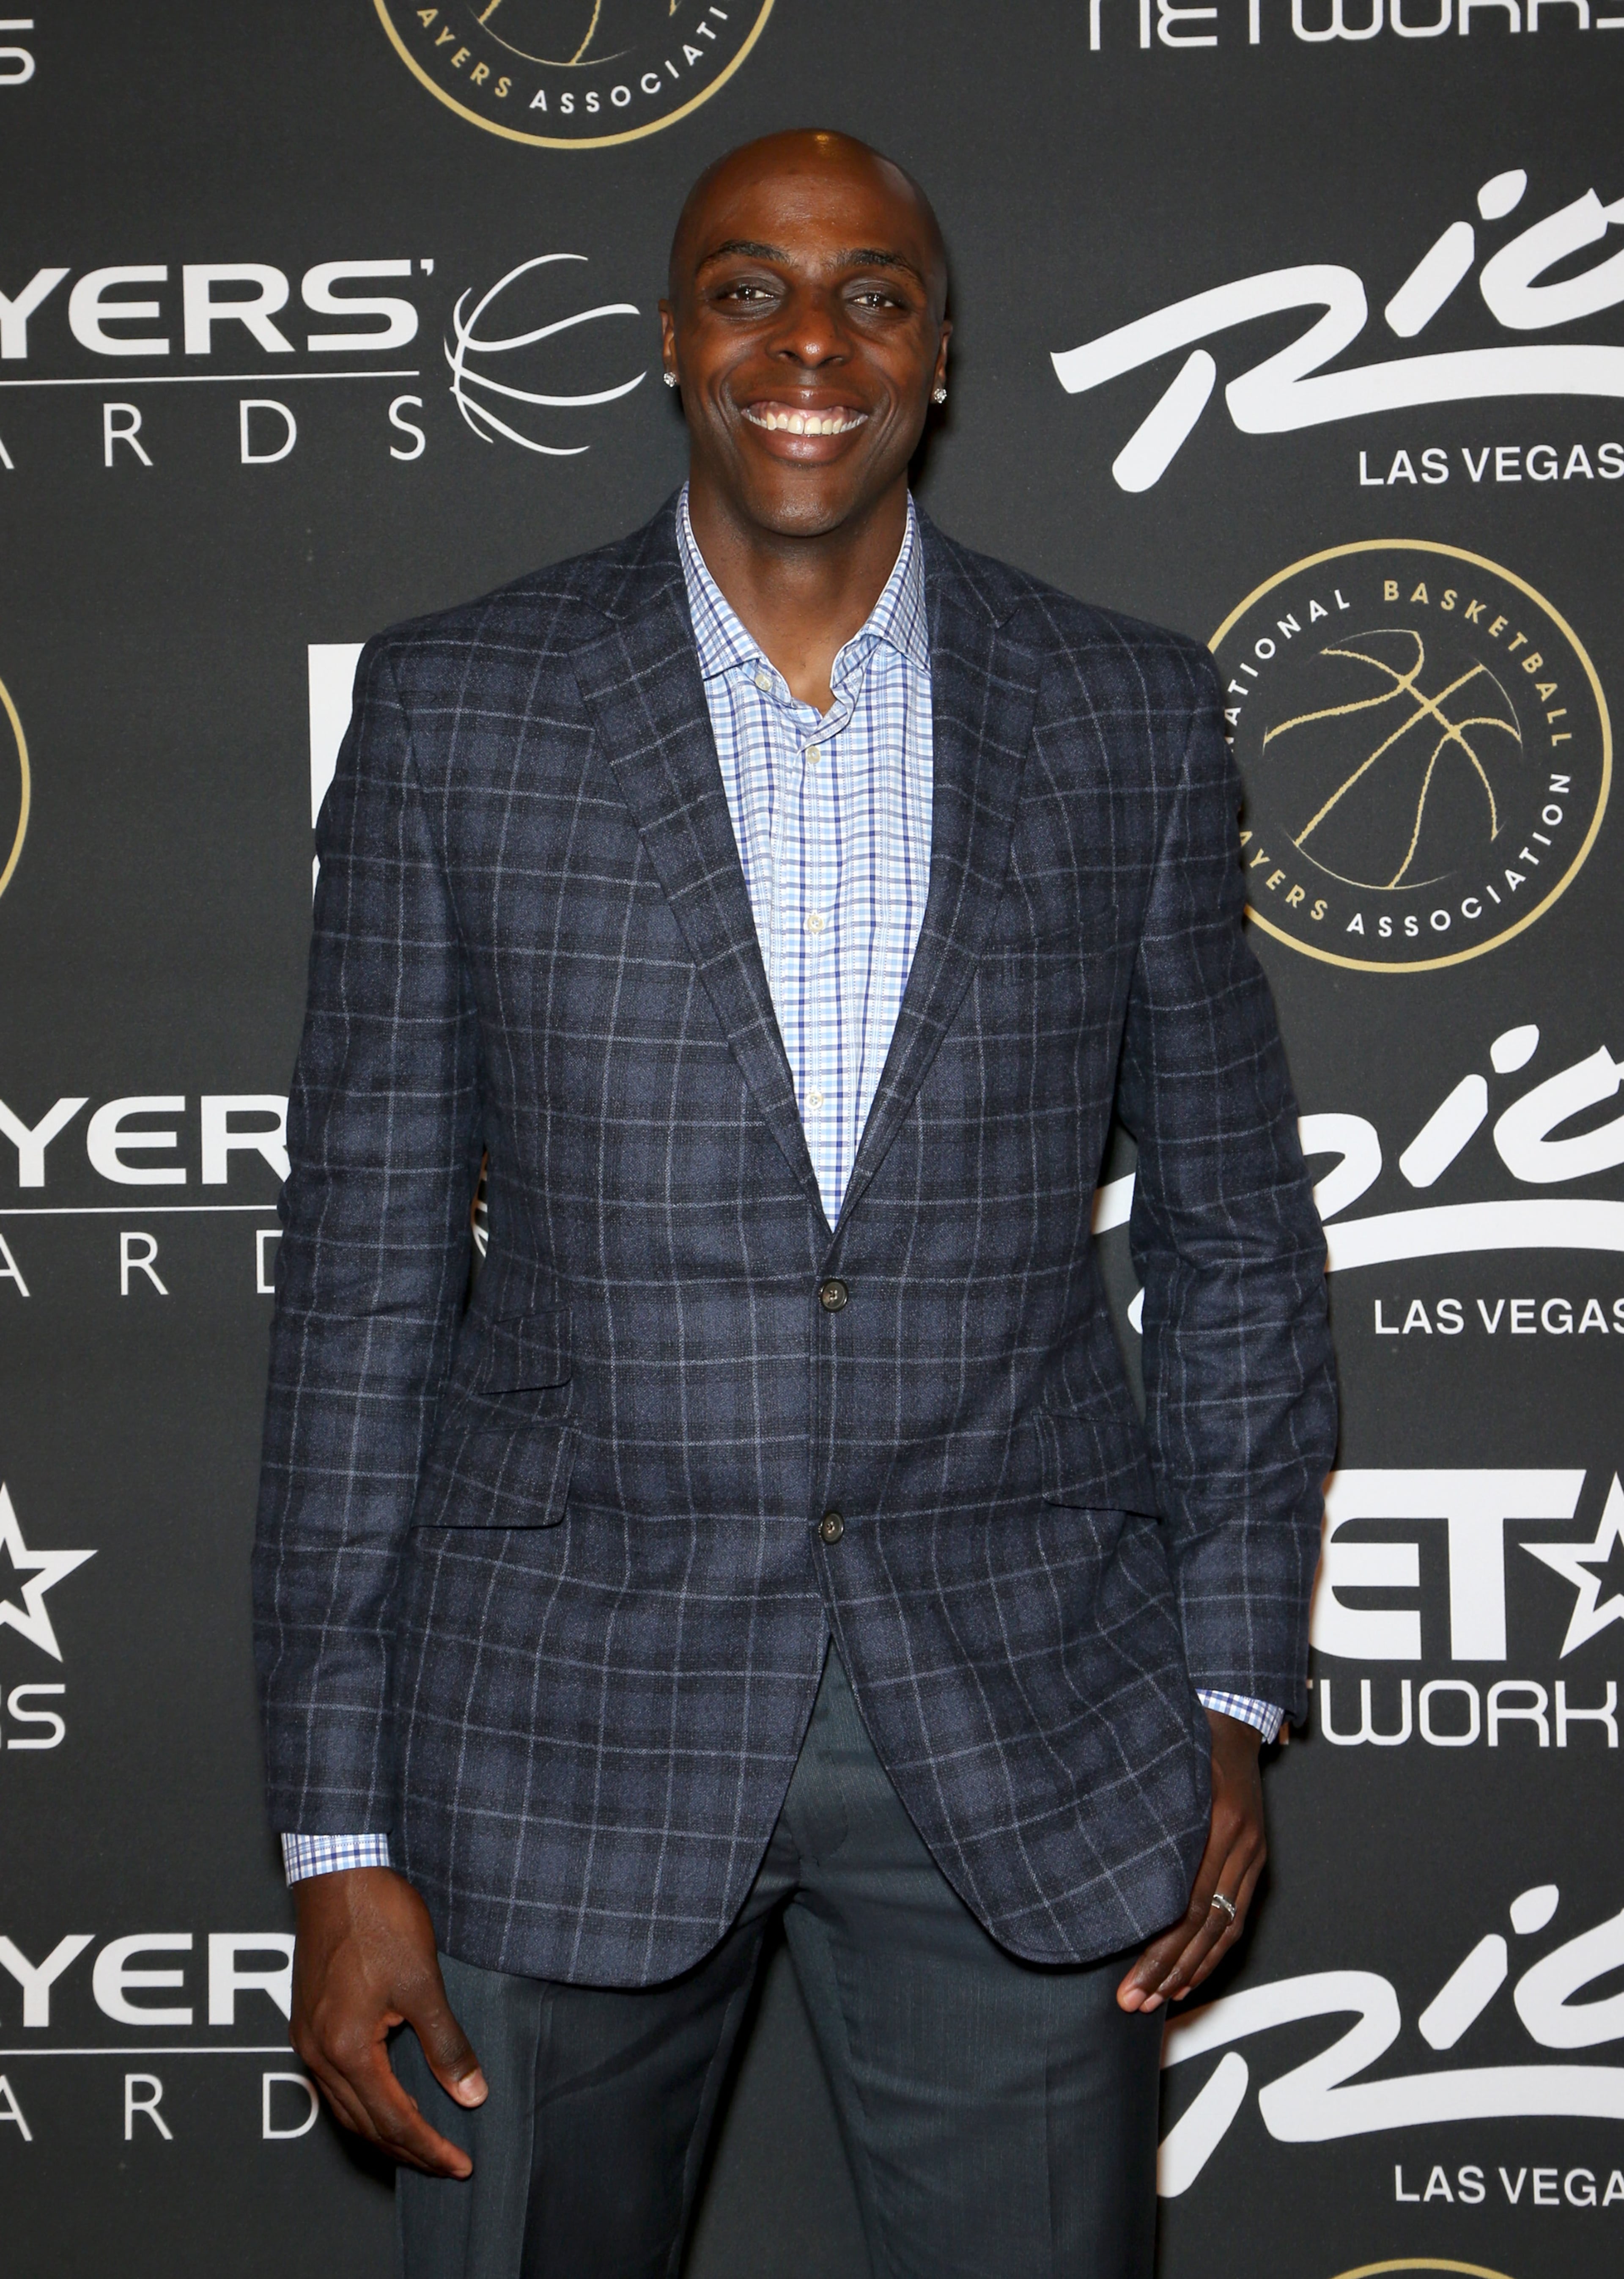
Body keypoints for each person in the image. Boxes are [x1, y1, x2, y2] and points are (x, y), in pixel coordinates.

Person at [254, 127, 1336, 2278]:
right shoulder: (462, 709)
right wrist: (337, 1826)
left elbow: (1233, 1246)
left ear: (942, 357)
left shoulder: (1124, 710)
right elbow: (364, 1288)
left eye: (874, 295)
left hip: (1029, 1725)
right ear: (672, 341)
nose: (810, 342)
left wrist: (1227, 1690)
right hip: (551, 1720)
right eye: (750, 288)